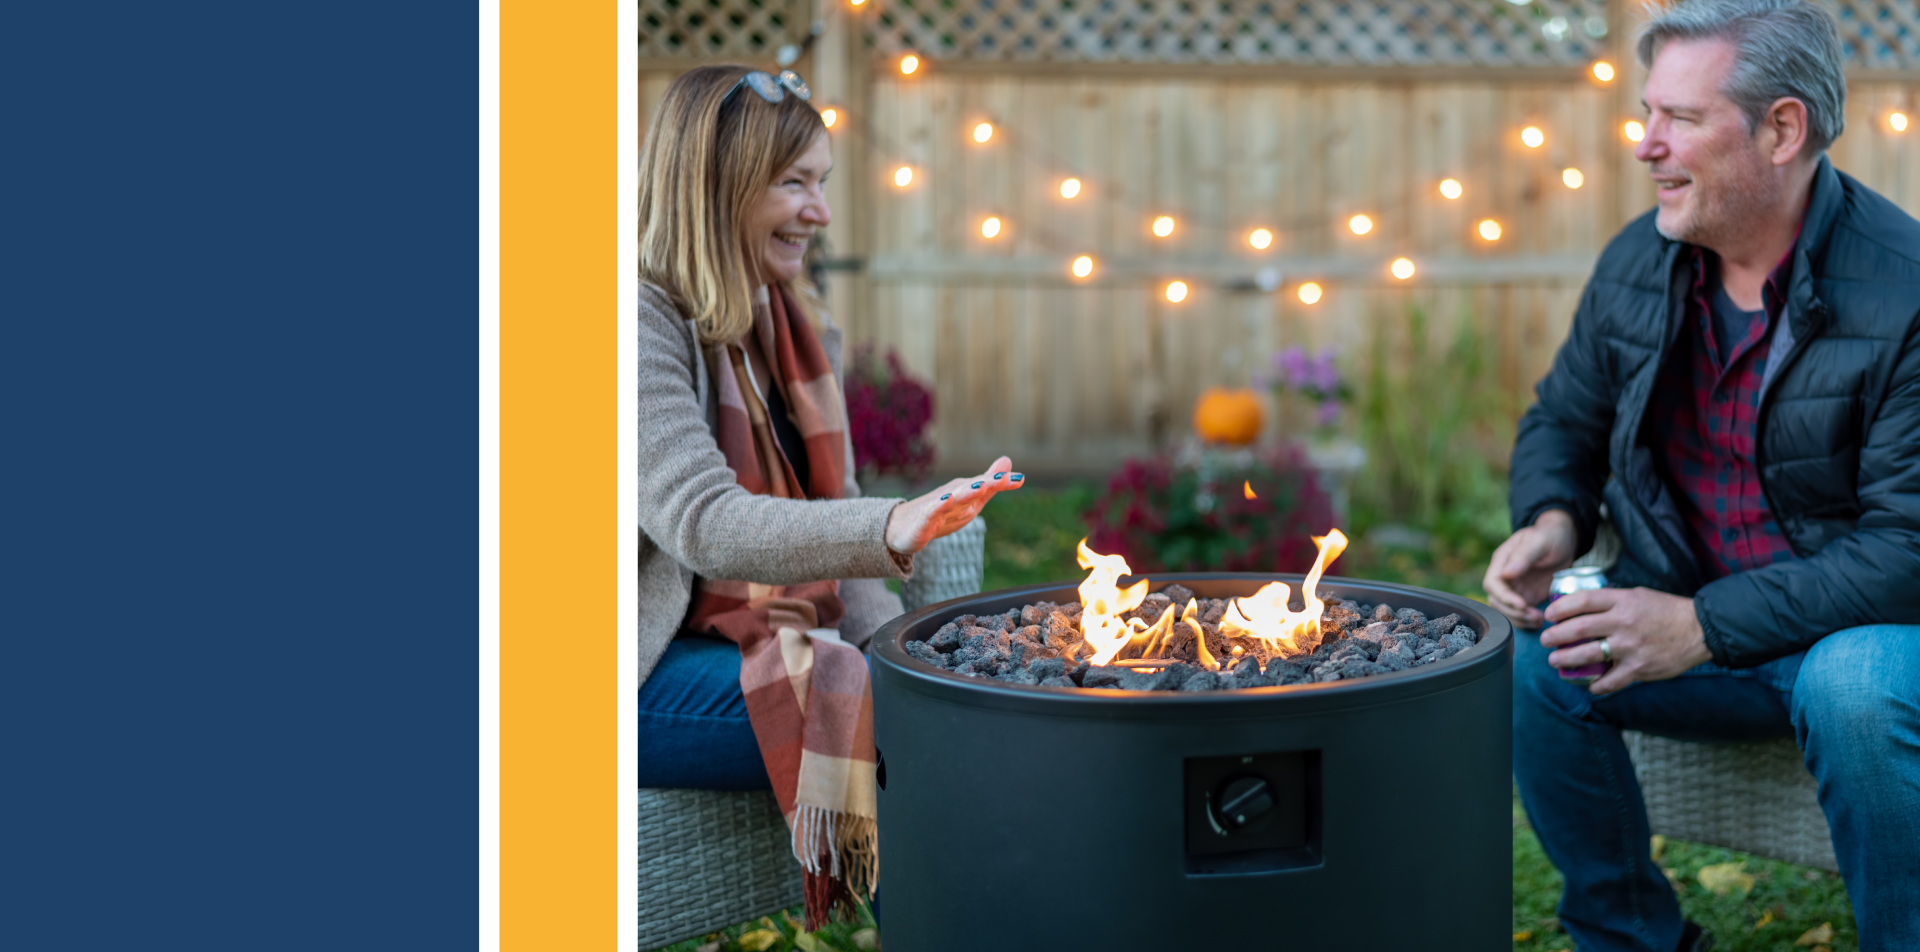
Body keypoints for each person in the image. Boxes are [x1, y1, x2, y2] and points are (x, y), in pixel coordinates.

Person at [1484, 2, 1920, 950]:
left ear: (1782, 129)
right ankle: (1630, 937)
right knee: (1539, 656)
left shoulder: (1906, 292)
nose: (1646, 144)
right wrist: (1554, 518)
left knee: (1856, 682)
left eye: (1679, 117)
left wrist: (1699, 626)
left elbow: (1905, 552)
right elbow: (1565, 418)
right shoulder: (1640, 262)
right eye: (1649, 112)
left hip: (1858, 640)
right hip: (1703, 616)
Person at [634, 65, 1022, 923]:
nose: (821, 212)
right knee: (905, 725)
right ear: (718, 186)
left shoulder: (796, 325)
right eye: (795, 184)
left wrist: (927, 657)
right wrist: (891, 523)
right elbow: (705, 522)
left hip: (747, 639)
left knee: (937, 693)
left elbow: (837, 534)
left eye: (823, 183)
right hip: (639, 670)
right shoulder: (635, 321)